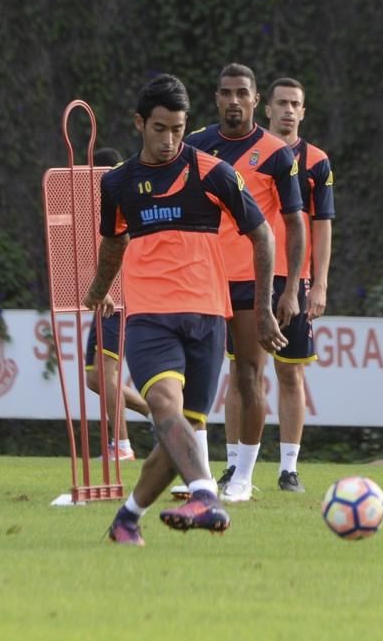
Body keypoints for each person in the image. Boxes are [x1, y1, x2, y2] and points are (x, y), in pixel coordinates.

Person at [83, 73, 286, 545]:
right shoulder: (118, 183)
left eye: (178, 128)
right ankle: (204, 494)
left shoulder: (215, 172)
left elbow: (263, 235)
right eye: (159, 128)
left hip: (208, 315)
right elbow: (113, 244)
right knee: (164, 407)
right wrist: (98, 289)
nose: (170, 139)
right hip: (151, 315)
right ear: (139, 124)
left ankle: (127, 518)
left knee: (185, 433)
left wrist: (264, 307)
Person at [184, 64, 305, 503]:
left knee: (249, 375)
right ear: (216, 98)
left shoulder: (277, 153)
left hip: (253, 282)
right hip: (201, 279)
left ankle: (242, 479)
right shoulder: (195, 145)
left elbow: (294, 222)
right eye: (225, 93)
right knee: (190, 379)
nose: (233, 100)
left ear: (257, 101)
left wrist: (289, 288)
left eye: (242, 93)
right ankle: (196, 474)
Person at [265, 76, 335, 492]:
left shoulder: (317, 161)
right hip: (248, 276)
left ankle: (288, 468)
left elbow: (322, 227)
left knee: (290, 375)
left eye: (296, 103)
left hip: (295, 279)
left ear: (303, 112)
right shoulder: (249, 153)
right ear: (267, 109)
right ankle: (237, 466)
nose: (289, 110)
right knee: (244, 375)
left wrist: (320, 283)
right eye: (282, 103)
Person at [85, 147, 150, 461]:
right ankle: (154, 410)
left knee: (106, 372)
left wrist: (108, 287)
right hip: (104, 297)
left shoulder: (124, 200)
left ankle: (121, 447)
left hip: (120, 299)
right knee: (95, 379)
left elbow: (121, 249)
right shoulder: (95, 204)